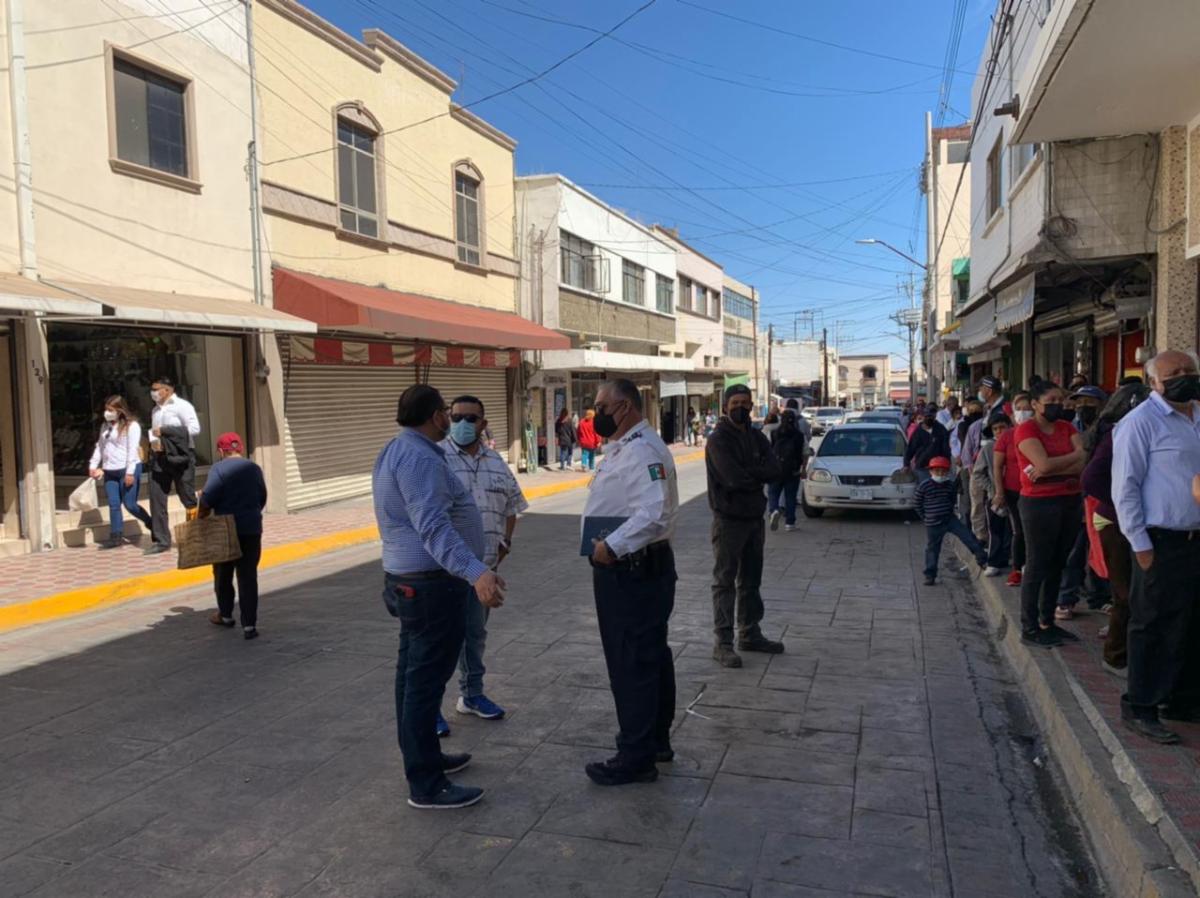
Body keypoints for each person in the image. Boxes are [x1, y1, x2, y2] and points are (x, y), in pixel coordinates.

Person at [372, 384, 506, 809]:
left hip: (416, 580)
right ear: (435, 416)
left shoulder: (399, 449)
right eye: (449, 413)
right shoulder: (419, 458)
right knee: (424, 682)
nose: (453, 421)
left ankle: (424, 757)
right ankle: (426, 783)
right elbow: (432, 526)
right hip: (430, 584)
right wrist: (476, 572)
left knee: (412, 676)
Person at [582, 378, 679, 785]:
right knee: (649, 656)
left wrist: (612, 547)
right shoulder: (627, 446)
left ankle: (636, 755)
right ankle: (654, 741)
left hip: (631, 570)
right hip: (637, 567)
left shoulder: (641, 450)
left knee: (632, 661)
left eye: (603, 406)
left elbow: (654, 512)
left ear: (625, 407)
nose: (597, 414)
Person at [1112, 350, 1200, 744]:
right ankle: (1141, 705)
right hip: (1158, 539)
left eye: (1189, 370)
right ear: (1154, 383)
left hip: (1194, 538)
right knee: (1152, 624)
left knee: (1190, 622)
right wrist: (1140, 545)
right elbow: (1125, 487)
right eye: (1174, 373)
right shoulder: (1140, 422)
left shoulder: (1197, 416)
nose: (1184, 376)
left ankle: (1180, 699)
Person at [441, 395, 528, 725]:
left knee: (475, 636)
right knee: (441, 640)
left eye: (471, 418)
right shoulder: (437, 459)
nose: (463, 424)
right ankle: (429, 709)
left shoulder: (495, 461)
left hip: (486, 569)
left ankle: (472, 694)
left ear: (483, 423)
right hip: (447, 571)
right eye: (456, 417)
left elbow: (512, 505)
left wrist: (506, 541)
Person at [706, 383, 785, 668]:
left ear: (752, 406)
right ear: (725, 407)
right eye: (735, 403)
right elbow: (731, 478)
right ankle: (723, 643)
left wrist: (749, 473)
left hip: (754, 518)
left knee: (751, 580)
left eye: (744, 403)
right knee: (724, 582)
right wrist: (756, 474)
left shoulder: (756, 436)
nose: (740, 407)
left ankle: (750, 633)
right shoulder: (718, 440)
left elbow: (775, 469)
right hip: (728, 520)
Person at [1081, 383, 1151, 677]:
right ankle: (1116, 657)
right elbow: (1091, 478)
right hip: (1114, 519)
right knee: (1125, 592)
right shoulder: (1118, 433)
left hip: (1126, 518)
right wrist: (1122, 501)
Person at [1015, 381, 1086, 649]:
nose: (1058, 405)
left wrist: (1051, 468)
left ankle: (1048, 621)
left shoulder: (1067, 427)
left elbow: (1084, 460)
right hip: (1039, 504)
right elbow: (1042, 465)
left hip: (1069, 500)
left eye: (1061, 399)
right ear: (1035, 404)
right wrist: (1069, 460)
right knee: (1037, 564)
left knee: (1058, 562)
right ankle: (1030, 626)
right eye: (1051, 401)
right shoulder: (1026, 430)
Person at [199, 433, 267, 640]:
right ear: (241, 448)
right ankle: (249, 626)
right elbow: (262, 496)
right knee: (248, 576)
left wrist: (201, 514)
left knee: (223, 573)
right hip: (252, 528)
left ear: (221, 451)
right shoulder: (254, 468)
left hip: (226, 529)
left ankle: (226, 615)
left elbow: (208, 498)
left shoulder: (218, 469)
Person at [1056, 384, 1112, 619]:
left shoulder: (1109, 430)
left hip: (1099, 499)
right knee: (1074, 552)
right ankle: (1066, 599)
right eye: (1079, 402)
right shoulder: (1071, 429)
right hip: (1074, 498)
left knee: (1101, 551)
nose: (1082, 407)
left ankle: (1100, 598)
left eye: (1089, 402)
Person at [87, 395, 152, 549]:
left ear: (120, 410)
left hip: (127, 468)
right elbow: (100, 446)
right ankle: (116, 536)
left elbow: (132, 450)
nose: (107, 413)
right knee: (114, 504)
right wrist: (93, 464)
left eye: (111, 410)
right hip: (110, 470)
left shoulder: (132, 426)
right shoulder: (105, 426)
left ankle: (150, 522)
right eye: (106, 409)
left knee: (130, 504)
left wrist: (130, 473)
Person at [145, 376, 201, 555]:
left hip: (180, 458)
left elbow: (194, 429)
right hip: (159, 458)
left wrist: (166, 431)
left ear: (167, 390)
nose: (153, 392)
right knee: (157, 499)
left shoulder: (182, 406)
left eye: (156, 389)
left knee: (187, 497)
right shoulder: (155, 410)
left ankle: (194, 537)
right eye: (152, 389)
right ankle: (161, 540)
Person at [915, 456, 986, 586]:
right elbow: (917, 503)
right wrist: (925, 517)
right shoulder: (924, 486)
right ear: (931, 471)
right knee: (933, 549)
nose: (940, 474)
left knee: (968, 536)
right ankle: (930, 575)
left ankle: (982, 558)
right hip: (933, 523)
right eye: (937, 471)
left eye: (943, 471)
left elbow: (952, 499)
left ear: (947, 472)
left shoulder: (949, 485)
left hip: (949, 518)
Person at [992, 392, 1032, 587]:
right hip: (1014, 491)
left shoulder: (1041, 433)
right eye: (1019, 409)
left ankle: (1033, 567)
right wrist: (999, 492)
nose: (1023, 413)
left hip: (1038, 491)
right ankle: (1017, 568)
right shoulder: (1007, 436)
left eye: (1027, 409)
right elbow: (997, 466)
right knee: (1020, 530)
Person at [975, 412, 1012, 576]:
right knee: (995, 530)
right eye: (995, 429)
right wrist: (992, 490)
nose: (999, 431)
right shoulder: (988, 448)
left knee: (1014, 531)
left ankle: (1011, 559)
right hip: (995, 497)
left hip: (1016, 494)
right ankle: (994, 562)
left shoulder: (1018, 444)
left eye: (1002, 427)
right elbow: (978, 473)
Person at [767, 409, 805, 533]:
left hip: (776, 469)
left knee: (773, 493)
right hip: (793, 470)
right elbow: (805, 452)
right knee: (790, 497)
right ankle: (790, 523)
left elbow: (767, 451)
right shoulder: (799, 435)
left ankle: (774, 510)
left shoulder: (774, 433)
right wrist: (803, 469)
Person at [903, 405, 950, 483]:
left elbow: (946, 448)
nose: (929, 418)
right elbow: (910, 448)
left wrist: (947, 463)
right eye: (927, 416)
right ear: (923, 417)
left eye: (931, 416)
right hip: (922, 466)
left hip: (939, 468)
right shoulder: (918, 431)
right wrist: (906, 464)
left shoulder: (941, 429)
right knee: (924, 487)